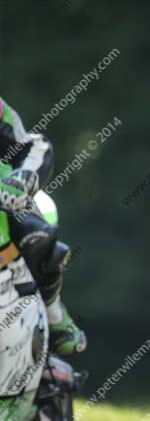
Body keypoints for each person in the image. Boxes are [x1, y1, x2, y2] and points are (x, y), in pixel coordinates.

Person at [0, 96, 86, 355]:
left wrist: (22, 180)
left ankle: (54, 315)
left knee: (35, 234)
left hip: (5, 201)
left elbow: (34, 148)